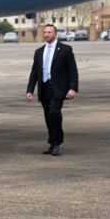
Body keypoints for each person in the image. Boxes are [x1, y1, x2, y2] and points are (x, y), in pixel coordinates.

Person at [24, 23, 78, 156]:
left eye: (49, 32)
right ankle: (53, 142)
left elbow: (72, 71)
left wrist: (72, 88)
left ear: (55, 34)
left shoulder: (65, 49)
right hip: (44, 88)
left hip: (58, 88)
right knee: (48, 117)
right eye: (45, 32)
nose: (46, 34)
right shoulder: (39, 52)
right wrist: (30, 90)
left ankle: (57, 143)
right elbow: (34, 72)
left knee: (54, 113)